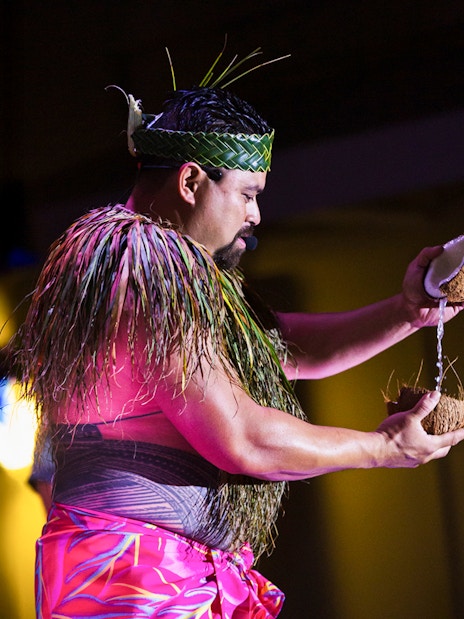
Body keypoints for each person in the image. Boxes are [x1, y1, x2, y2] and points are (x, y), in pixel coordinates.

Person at [14, 51, 464, 618]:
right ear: (190, 180)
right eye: (248, 194)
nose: (255, 215)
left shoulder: (161, 270)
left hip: (155, 570)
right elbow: (242, 438)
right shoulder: (144, 267)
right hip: (133, 578)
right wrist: (383, 448)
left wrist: (407, 311)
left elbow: (283, 348)